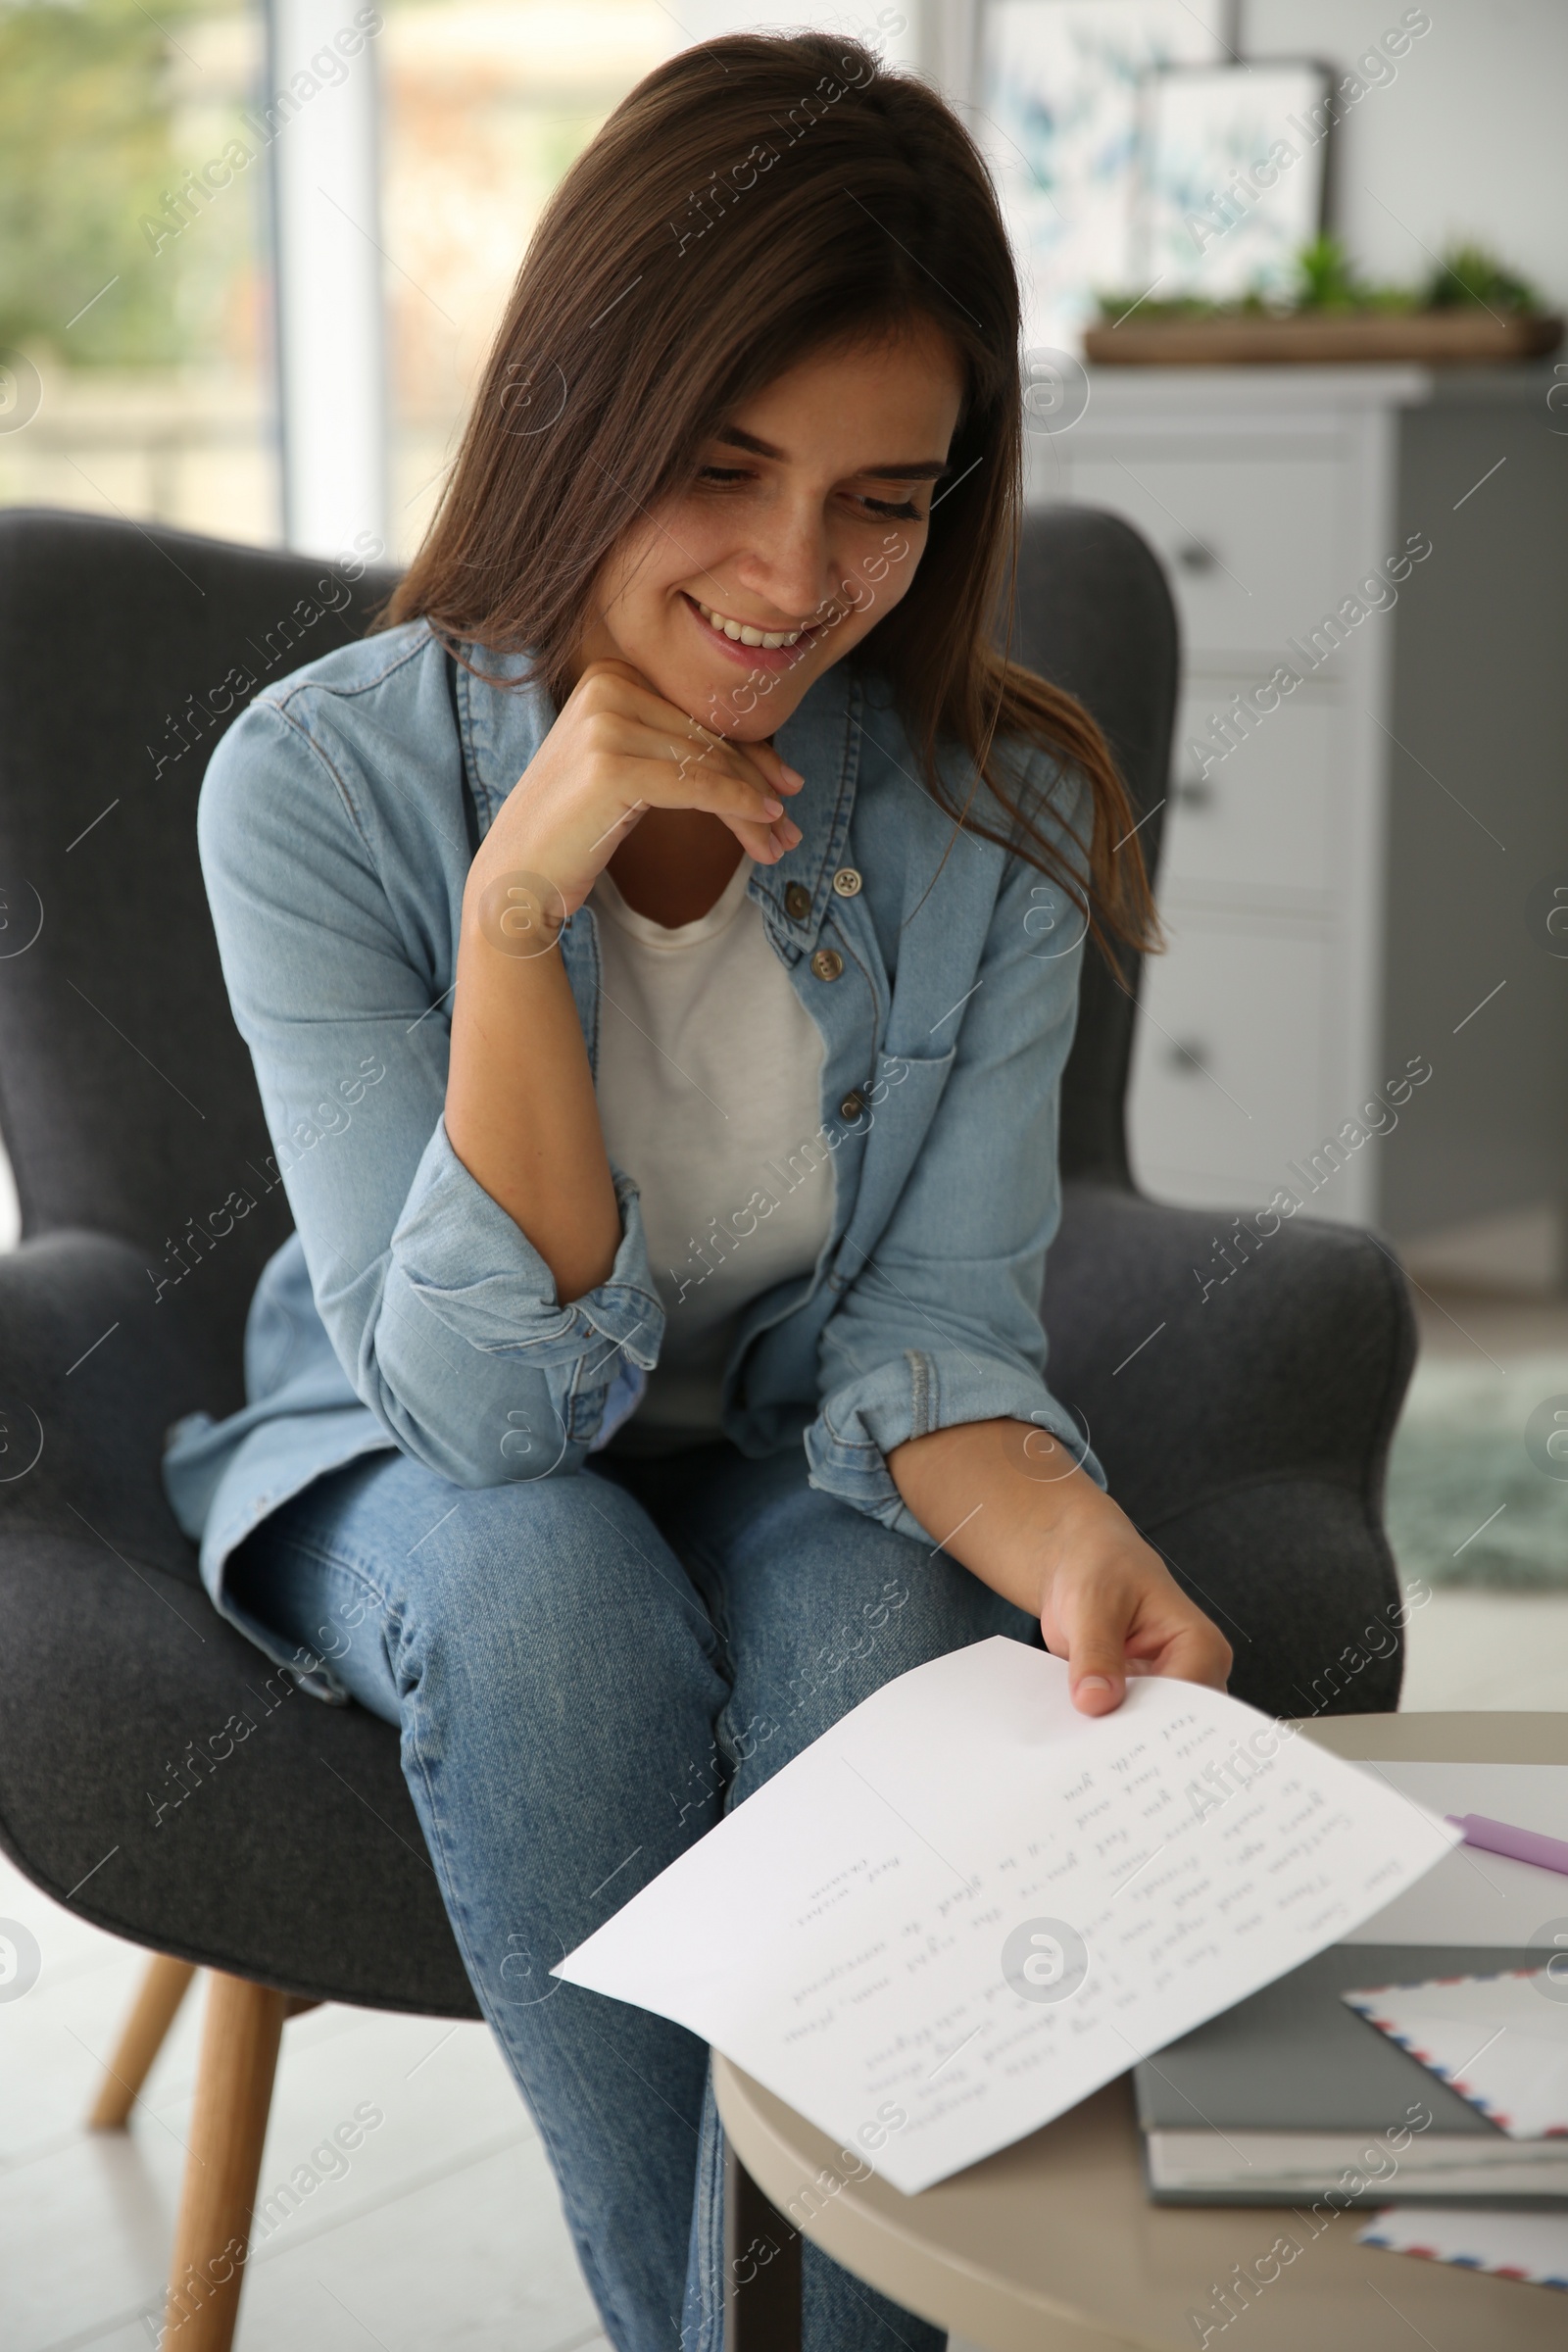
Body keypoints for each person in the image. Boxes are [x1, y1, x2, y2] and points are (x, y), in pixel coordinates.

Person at [162, 29, 1231, 2350]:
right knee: (550, 1580)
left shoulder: (985, 814)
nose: (789, 578)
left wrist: (1073, 1544)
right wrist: (512, 921)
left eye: (883, 498)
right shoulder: (317, 790)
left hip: (774, 1443)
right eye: (719, 467)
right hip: (405, 1452)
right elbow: (475, 1415)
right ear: (581, 413)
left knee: (881, 1628)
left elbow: (921, 1333)